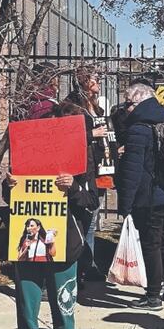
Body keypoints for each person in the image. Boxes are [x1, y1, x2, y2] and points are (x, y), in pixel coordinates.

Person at [6, 102, 99, 329]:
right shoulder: (27, 153)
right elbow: (13, 200)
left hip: (64, 246)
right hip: (26, 248)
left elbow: (91, 202)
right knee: (27, 307)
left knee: (63, 307)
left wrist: (73, 187)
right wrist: (9, 186)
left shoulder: (83, 160)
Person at [116, 83, 164, 311]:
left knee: (151, 245)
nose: (126, 109)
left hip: (149, 197)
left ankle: (153, 295)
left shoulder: (138, 130)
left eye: (129, 103)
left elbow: (132, 172)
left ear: (140, 103)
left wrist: (124, 206)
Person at [62, 66, 108, 283]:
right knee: (83, 219)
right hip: (80, 170)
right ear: (83, 82)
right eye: (94, 78)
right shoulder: (72, 105)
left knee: (92, 218)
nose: (98, 82)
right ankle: (80, 267)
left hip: (97, 167)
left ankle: (88, 265)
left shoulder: (95, 105)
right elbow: (66, 136)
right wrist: (92, 134)